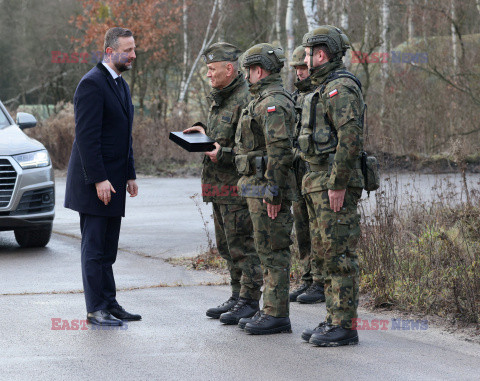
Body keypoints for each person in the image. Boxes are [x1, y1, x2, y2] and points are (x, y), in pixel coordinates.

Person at [64, 27, 140, 326]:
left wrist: (130, 174)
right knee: (94, 249)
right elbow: (86, 138)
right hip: (94, 184)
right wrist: (98, 179)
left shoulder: (120, 84)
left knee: (108, 248)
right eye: (128, 50)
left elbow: (124, 137)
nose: (133, 55)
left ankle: (110, 303)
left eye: (134, 49)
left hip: (115, 181)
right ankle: (95, 309)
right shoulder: (91, 84)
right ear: (109, 51)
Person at [183, 42, 263, 325]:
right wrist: (203, 132)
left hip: (238, 188)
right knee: (227, 246)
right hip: (218, 186)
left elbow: (254, 148)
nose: (208, 74)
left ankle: (250, 300)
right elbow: (223, 135)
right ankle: (236, 295)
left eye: (212, 69)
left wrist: (222, 154)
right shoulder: (221, 97)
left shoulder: (246, 98)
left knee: (243, 246)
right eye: (207, 69)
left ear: (229, 68)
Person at [297, 25, 365, 346]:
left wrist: (337, 183)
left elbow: (350, 139)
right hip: (318, 183)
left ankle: (345, 326)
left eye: (308, 53)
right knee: (326, 255)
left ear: (320, 54)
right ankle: (333, 319)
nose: (305, 59)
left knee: (339, 255)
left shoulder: (340, 88)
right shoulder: (322, 87)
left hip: (334, 185)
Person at [234, 43, 297, 335]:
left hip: (267, 190)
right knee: (265, 248)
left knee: (274, 250)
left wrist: (274, 191)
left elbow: (280, 151)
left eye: (248, 71)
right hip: (257, 188)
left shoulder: (273, 102)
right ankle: (269, 309)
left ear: (258, 70)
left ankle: (276, 314)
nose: (246, 76)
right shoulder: (262, 99)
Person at [288, 45, 326, 305]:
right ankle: (308, 277)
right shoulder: (294, 97)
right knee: (302, 227)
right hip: (298, 171)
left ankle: (321, 281)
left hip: (316, 169)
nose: (300, 72)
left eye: (303, 67)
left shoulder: (321, 93)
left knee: (318, 228)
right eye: (297, 69)